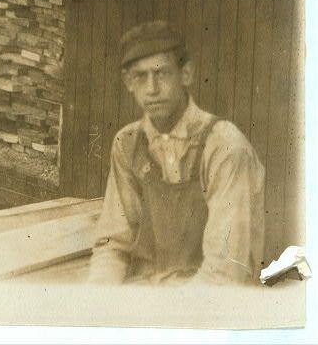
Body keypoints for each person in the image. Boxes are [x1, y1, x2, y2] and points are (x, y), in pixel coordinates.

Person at [88, 20, 265, 285]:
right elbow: (113, 244)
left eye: (162, 74)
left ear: (186, 74)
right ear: (128, 82)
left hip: (210, 307)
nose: (152, 89)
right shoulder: (128, 144)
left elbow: (225, 272)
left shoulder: (225, 147)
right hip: (148, 299)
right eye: (141, 76)